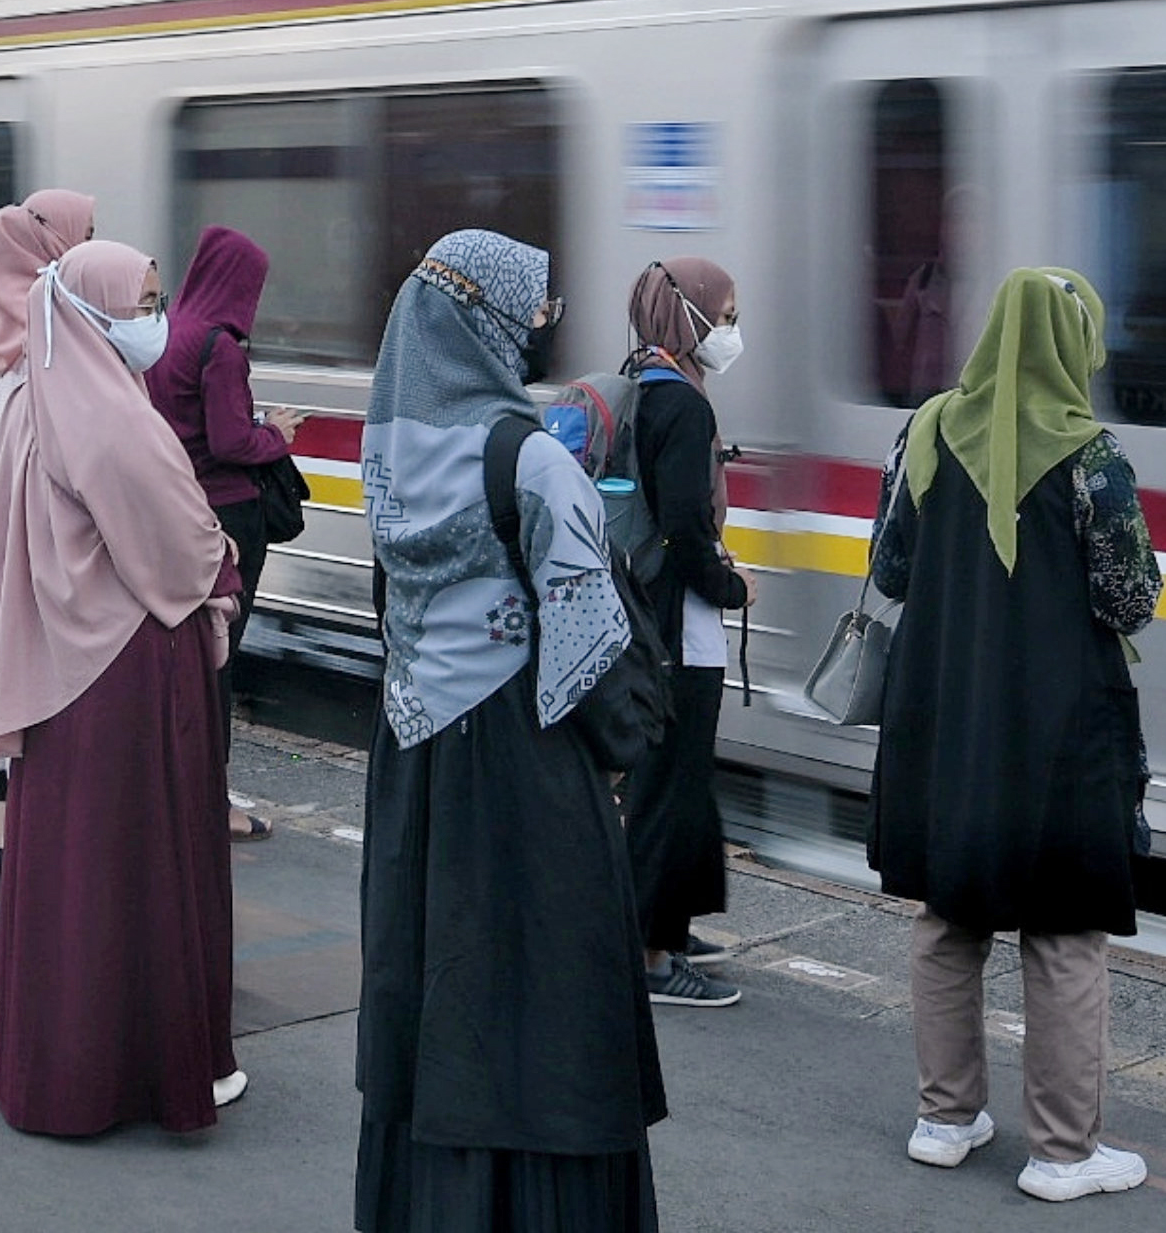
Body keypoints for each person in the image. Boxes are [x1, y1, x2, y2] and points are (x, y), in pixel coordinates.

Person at [354, 230, 664, 1232]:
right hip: (526, 772)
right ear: (484, 322)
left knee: (435, 992)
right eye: (529, 311)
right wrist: (625, 755)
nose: (538, 330)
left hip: (416, 763)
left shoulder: (386, 452)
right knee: (544, 999)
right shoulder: (529, 458)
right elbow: (593, 657)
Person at [870, 267, 1160, 1203]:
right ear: (1075, 347)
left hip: (945, 707)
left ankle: (944, 1118)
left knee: (949, 913)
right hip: (1060, 721)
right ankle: (1063, 1153)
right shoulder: (1093, 457)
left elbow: (892, 565)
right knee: (1064, 930)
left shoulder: (921, 431)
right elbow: (1131, 596)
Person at [0, 238, 240, 1136]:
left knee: (72, 878)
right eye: (143, 301)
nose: (156, 319)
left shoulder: (38, 398)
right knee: (139, 870)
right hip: (128, 670)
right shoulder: (113, 419)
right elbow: (183, 544)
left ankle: (62, 1071)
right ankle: (145, 1071)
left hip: (59, 666)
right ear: (92, 309)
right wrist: (220, 568)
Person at [0, 189, 95, 868]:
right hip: (26, 507)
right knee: (28, 656)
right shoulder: (54, 322)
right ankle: (28, 827)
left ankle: (4, 829)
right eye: (83, 231)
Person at [620, 256, 756, 1009]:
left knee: (674, 783)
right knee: (671, 786)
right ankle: (652, 954)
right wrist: (729, 584)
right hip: (677, 627)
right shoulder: (687, 407)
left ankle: (670, 924)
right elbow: (682, 527)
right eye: (726, 313)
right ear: (691, 313)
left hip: (643, 615)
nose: (732, 329)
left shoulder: (641, 383)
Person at [145, 225, 307, 841]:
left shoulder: (169, 332)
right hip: (230, 515)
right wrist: (278, 435)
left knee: (183, 655)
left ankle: (171, 789)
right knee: (219, 657)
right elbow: (231, 440)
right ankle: (214, 802)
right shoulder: (221, 347)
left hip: (178, 506)